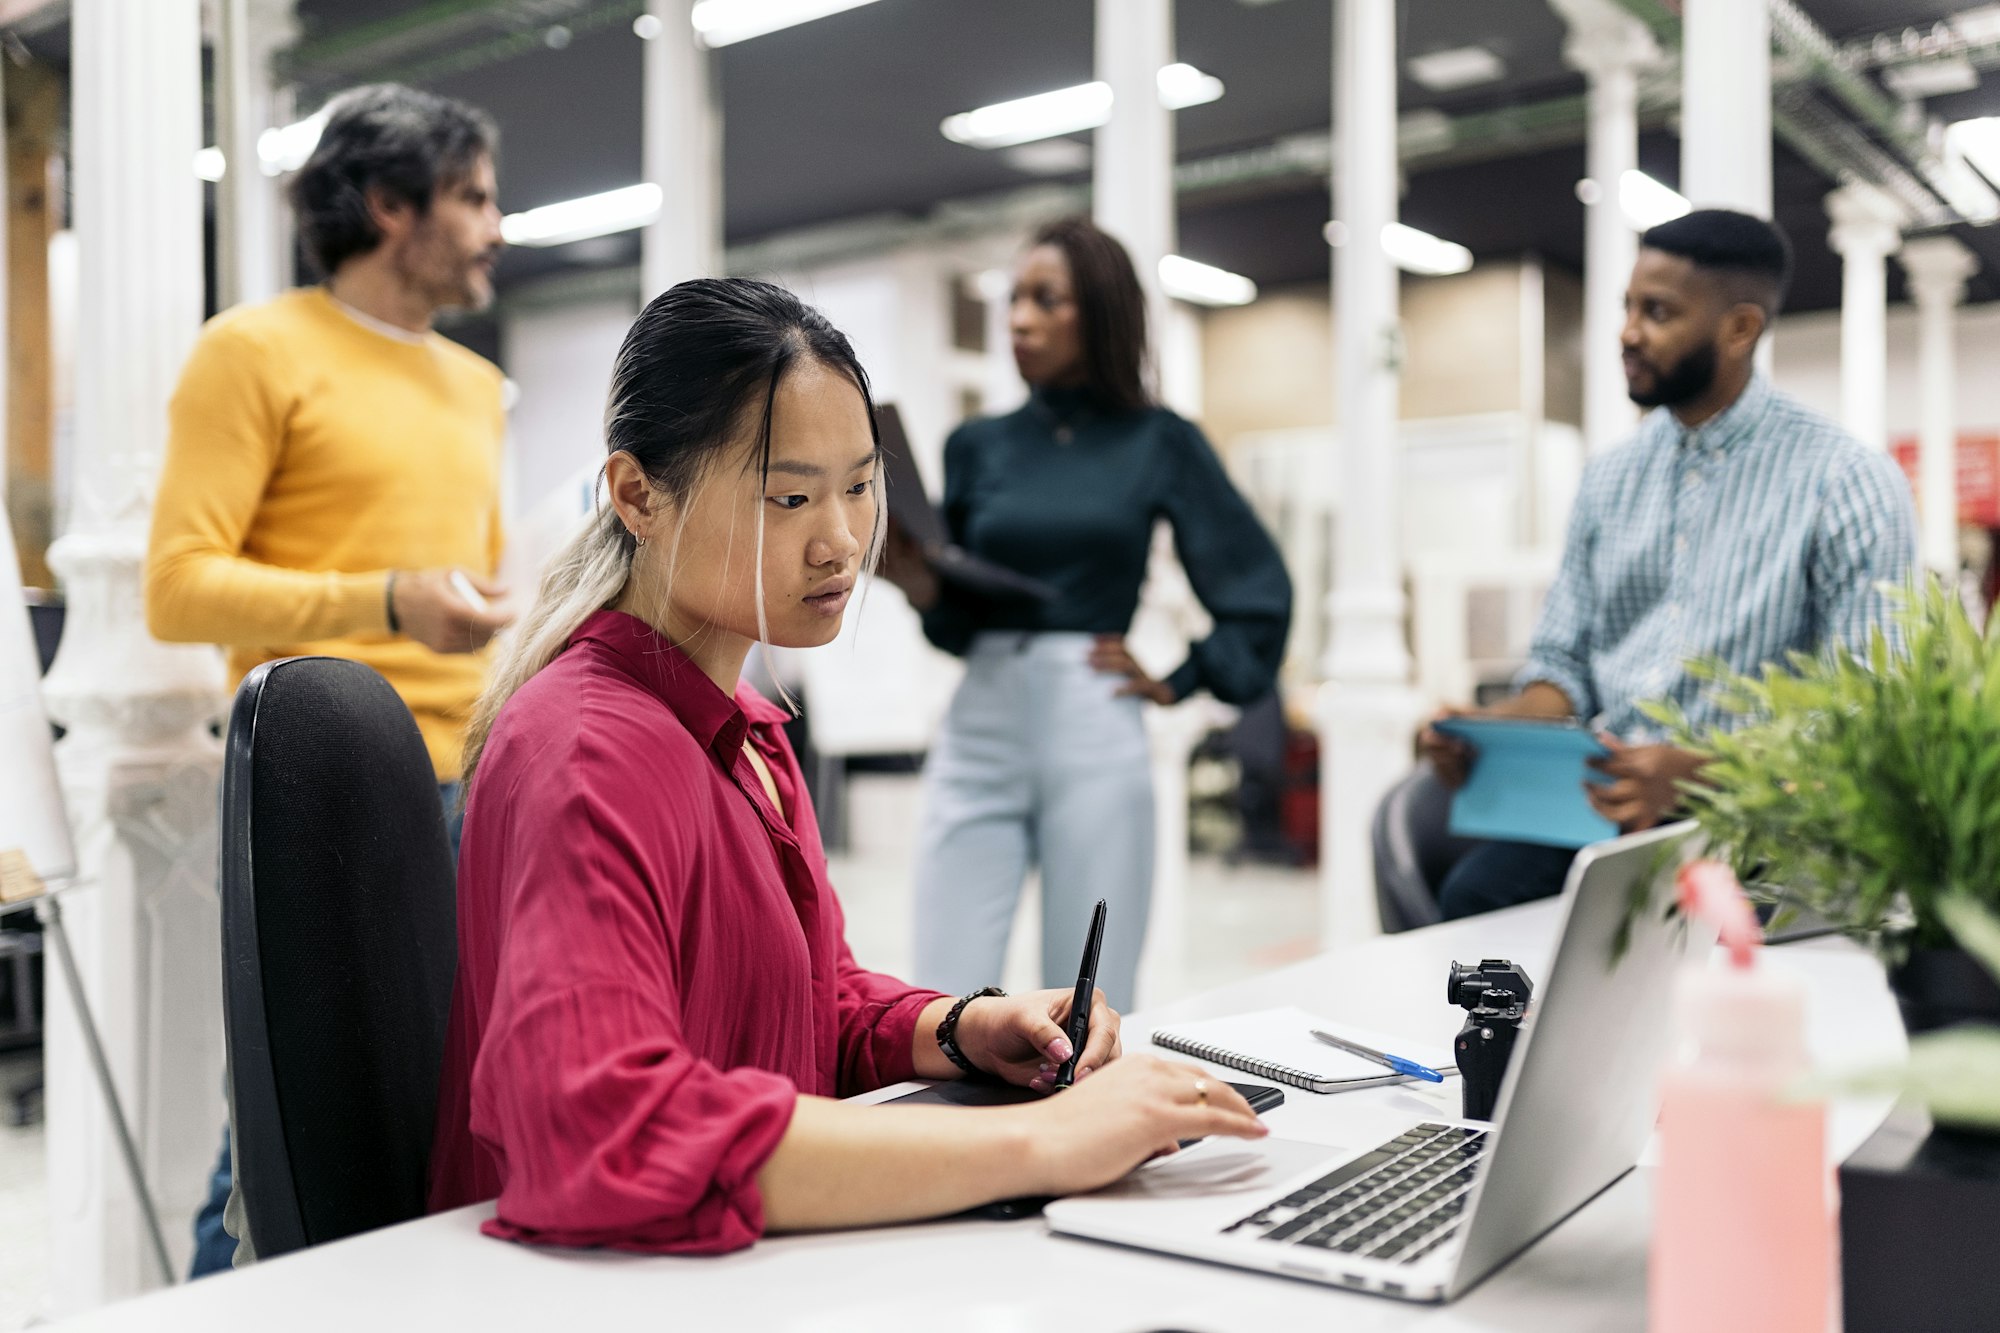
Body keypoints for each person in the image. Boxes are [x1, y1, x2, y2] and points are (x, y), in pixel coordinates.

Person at [427, 278, 1266, 1249]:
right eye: (789, 496)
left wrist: (955, 1028)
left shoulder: (747, 729)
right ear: (636, 496)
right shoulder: (586, 752)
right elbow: (610, 1133)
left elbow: (799, 1004)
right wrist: (1043, 1141)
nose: (839, 542)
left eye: (860, 488)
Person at [146, 83, 515, 1275]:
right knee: (284, 1135)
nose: (496, 225)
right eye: (472, 197)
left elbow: (475, 582)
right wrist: (386, 599)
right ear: (387, 205)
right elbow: (181, 586)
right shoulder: (251, 351)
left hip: (472, 784)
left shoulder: (474, 388)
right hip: (322, 795)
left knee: (439, 1120)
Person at [1417, 209, 1917, 920]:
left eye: (1658, 312)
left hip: (1760, 826)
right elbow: (1562, 667)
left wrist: (1702, 776)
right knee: (1475, 902)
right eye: (1627, 307)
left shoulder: (1845, 479)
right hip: (1601, 811)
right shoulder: (1609, 478)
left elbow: (1867, 716)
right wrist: (1490, 730)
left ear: (1740, 329)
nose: (1627, 332)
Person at [881, 217, 1291, 1010]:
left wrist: (1185, 677)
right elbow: (961, 621)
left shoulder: (1159, 440)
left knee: (1089, 997)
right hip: (980, 720)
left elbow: (1257, 588)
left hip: (1094, 723)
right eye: (1013, 299)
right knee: (941, 991)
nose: (1019, 319)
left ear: (1100, 313)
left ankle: (1084, 1131)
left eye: (1047, 299)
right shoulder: (977, 444)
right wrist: (919, 584)